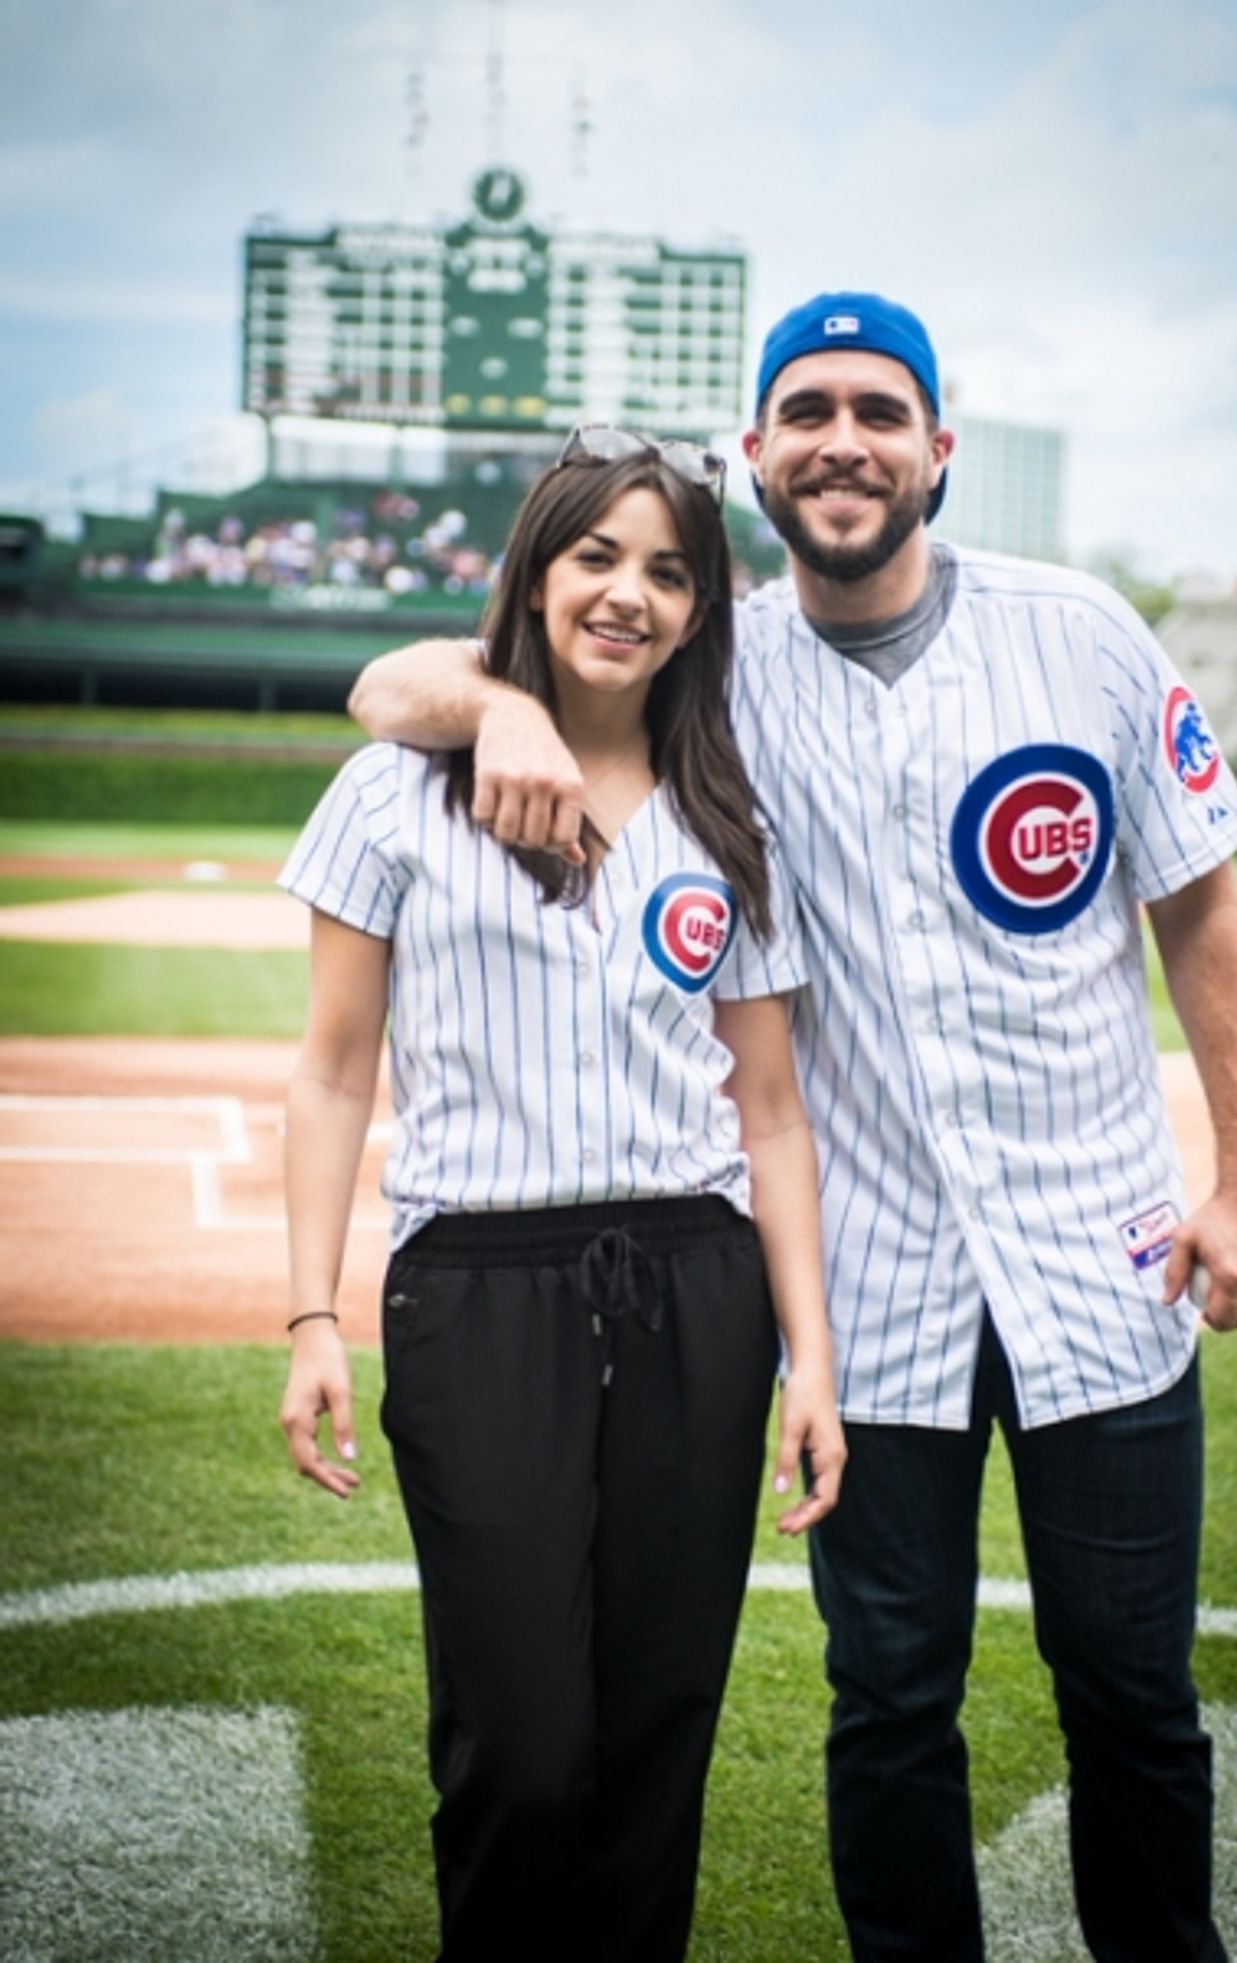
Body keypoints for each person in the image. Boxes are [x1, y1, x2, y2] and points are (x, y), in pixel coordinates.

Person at [347, 294, 1237, 1962]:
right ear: (757, 456)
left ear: (941, 445)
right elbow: (405, 673)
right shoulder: (718, 669)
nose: (841, 440)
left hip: (1109, 1266)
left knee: (1139, 1701)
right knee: (889, 1710)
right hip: (876, 1293)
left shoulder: (1079, 631)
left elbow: (1203, 906)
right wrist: (492, 706)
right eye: (805, 412)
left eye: (878, 410)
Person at [277, 427, 846, 1963]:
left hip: (697, 1292)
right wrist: (311, 1313)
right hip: (478, 1292)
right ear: (533, 576)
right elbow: (334, 1074)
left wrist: (813, 1363)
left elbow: (773, 1113)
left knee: (659, 1746)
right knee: (522, 1750)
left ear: (700, 610)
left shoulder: (729, 813)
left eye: (668, 571)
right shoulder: (399, 786)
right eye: (596, 556)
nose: (629, 595)